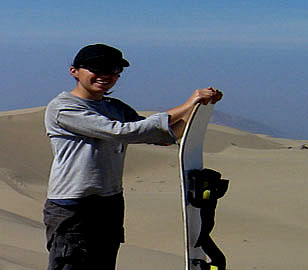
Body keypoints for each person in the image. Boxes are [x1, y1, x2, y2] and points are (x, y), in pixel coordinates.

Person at [43, 43, 222, 269]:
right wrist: (188, 103)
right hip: (74, 206)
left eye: (114, 70)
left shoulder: (115, 107)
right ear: (74, 71)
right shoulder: (63, 108)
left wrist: (197, 109)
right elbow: (121, 132)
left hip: (110, 202)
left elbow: (161, 135)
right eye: (97, 68)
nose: (106, 75)